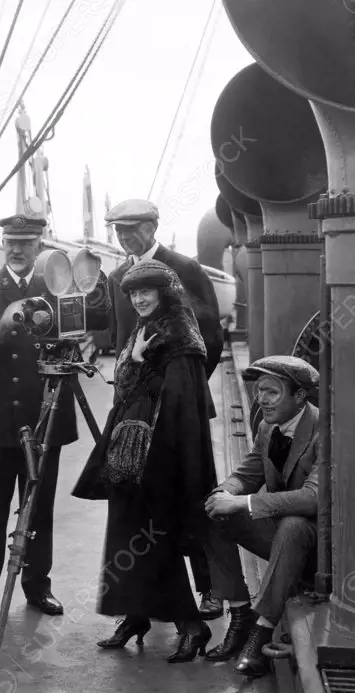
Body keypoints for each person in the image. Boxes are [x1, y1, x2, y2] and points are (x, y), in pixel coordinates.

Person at [73, 260, 217, 662]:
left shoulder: (180, 336)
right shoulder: (145, 328)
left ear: (163, 293)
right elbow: (123, 390)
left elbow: (180, 405)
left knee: (156, 539)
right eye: (133, 293)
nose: (138, 299)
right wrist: (134, 361)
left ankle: (193, 626)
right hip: (128, 451)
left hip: (161, 456)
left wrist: (135, 365)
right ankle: (135, 614)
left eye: (146, 292)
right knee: (124, 532)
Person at [105, 198, 225, 621]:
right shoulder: (120, 276)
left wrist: (182, 386)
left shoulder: (185, 269)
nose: (124, 237)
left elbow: (210, 334)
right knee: (143, 499)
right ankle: (149, 594)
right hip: (136, 405)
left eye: (131, 229)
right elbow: (122, 337)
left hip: (181, 406)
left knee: (192, 491)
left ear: (153, 226)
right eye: (118, 230)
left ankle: (209, 588)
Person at [0, 214, 78, 620]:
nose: (17, 249)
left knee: (38, 507)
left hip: (46, 414)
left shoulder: (58, 287)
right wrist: (2, 324)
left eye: (26, 242)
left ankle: (37, 586)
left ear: (39, 246)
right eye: (10, 241)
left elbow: (83, 329)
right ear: (2, 243)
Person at [202, 355, 320, 678]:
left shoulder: (325, 432)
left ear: (299, 397)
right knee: (214, 511)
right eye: (260, 391)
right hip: (280, 539)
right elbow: (248, 472)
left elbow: (312, 499)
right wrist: (223, 493)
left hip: (316, 553)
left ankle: (261, 632)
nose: (263, 400)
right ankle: (239, 615)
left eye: (272, 392)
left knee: (294, 525)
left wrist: (243, 503)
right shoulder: (268, 427)